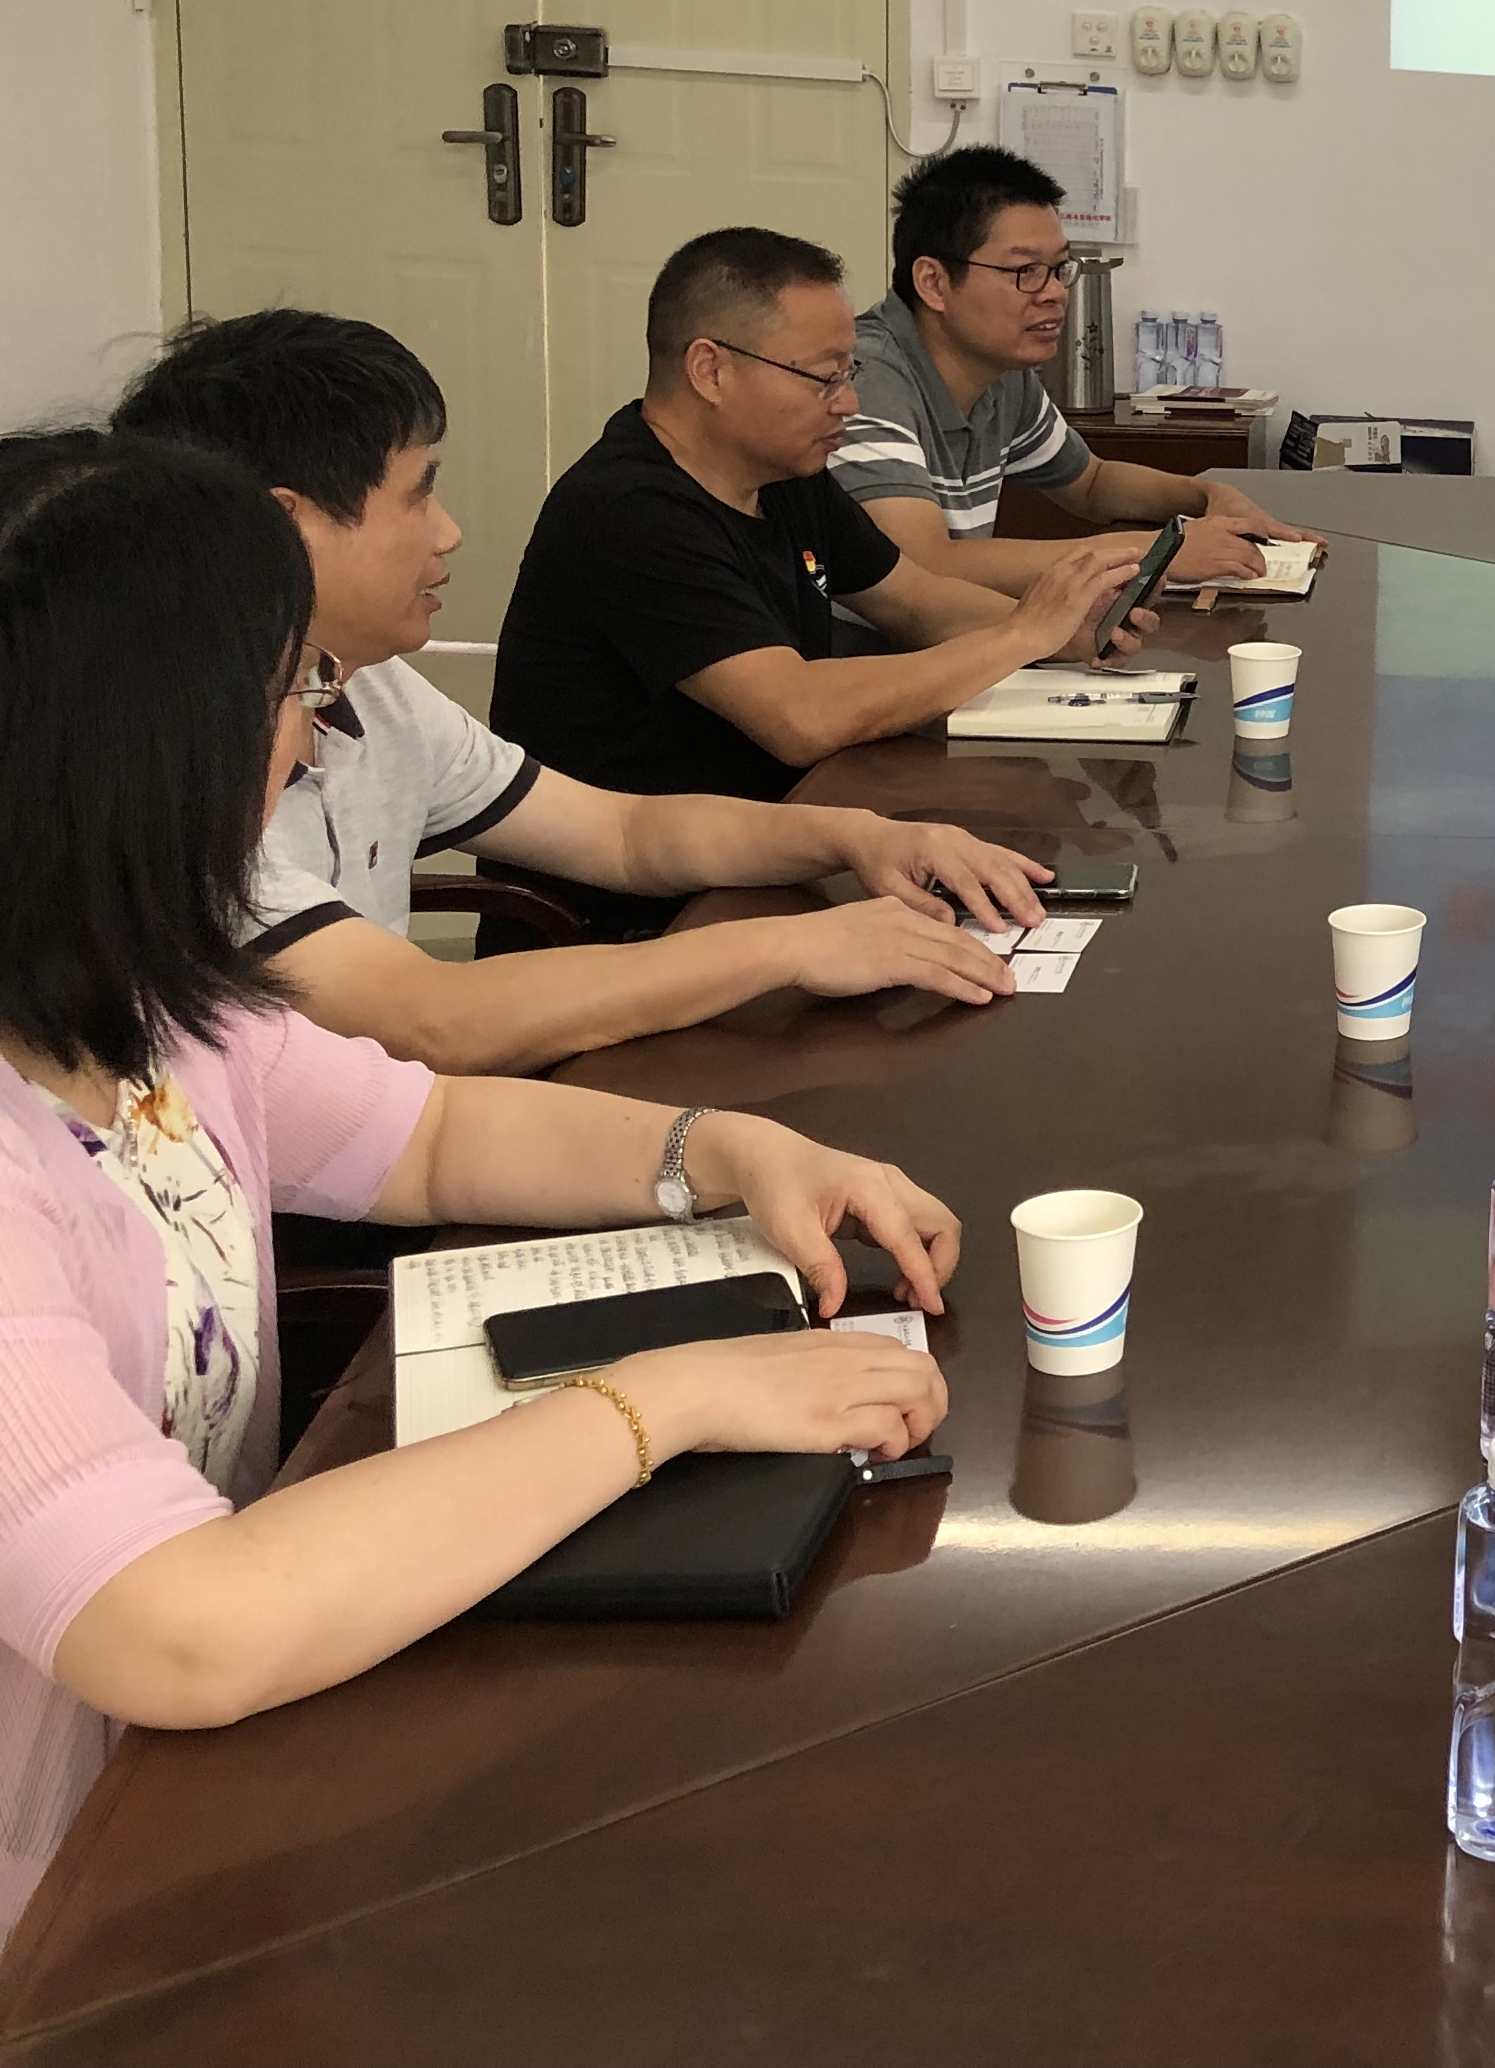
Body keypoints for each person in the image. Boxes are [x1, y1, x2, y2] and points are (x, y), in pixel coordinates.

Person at [0, 430, 955, 1941]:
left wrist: (723, 1149)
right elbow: (177, 1628)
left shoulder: (154, 1001)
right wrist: (667, 1401)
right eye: (292, 695)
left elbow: (432, 1139)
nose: (312, 746)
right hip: (71, 1897)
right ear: (148, 749)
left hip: (218, 1770)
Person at [114, 311, 1051, 1074]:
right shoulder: (168, 771)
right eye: (418, 496)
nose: (449, 533)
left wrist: (857, 837)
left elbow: (622, 833)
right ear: (283, 529)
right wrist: (790, 949)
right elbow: (432, 1022)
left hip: (392, 1134)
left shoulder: (373, 688)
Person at [496, 228, 1146, 813]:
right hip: (651, 889)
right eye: (824, 377)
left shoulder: (784, 476)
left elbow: (913, 601)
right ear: (710, 370)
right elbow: (800, 715)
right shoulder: (630, 513)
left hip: (780, 825)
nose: (849, 402)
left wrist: (1065, 629)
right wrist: (1019, 637)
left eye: (849, 372)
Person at [838, 148, 1320, 596]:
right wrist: (1159, 552)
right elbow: (922, 565)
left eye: (1059, 269)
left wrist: (1206, 495)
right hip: (865, 652)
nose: (1054, 293)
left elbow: (1092, 483)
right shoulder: (862, 378)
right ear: (934, 282)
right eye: (1025, 272)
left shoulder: (1002, 371)